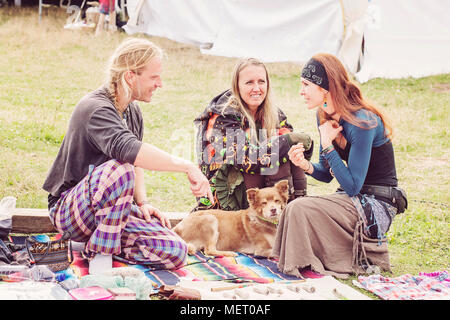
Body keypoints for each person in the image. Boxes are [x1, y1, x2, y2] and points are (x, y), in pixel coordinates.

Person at [42, 38, 214, 275]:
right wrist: (188, 166)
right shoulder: (95, 109)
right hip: (69, 211)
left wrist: (142, 203)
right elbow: (130, 152)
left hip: (111, 212)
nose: (160, 84)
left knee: (175, 251)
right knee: (119, 169)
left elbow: (137, 161)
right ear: (130, 76)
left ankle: (93, 242)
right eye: (154, 77)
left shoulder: (132, 110)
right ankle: (100, 258)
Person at [272, 53, 407, 279]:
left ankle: (306, 261)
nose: (301, 91)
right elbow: (326, 175)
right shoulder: (323, 114)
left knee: (300, 208)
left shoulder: (363, 122)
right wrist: (305, 165)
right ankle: (304, 259)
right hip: (351, 198)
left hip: (377, 205)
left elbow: (353, 185)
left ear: (325, 88)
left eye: (306, 85)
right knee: (297, 206)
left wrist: (327, 144)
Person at [193, 58, 313, 211]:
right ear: (237, 86)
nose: (256, 88)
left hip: (260, 186)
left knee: (285, 154)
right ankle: (283, 215)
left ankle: (297, 209)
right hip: (224, 195)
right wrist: (288, 141)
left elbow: (296, 151)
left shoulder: (272, 112)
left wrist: (295, 146)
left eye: (261, 82)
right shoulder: (223, 116)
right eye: (249, 82)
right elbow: (247, 159)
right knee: (275, 155)